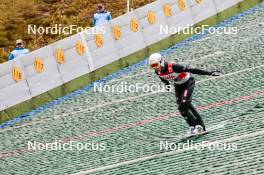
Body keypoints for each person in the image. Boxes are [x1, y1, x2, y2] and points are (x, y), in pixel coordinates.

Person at [149, 53, 221, 135]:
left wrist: (209, 73)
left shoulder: (174, 67)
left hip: (188, 82)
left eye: (156, 65)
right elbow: (162, 78)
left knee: (185, 102)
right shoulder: (157, 71)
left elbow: (192, 70)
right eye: (152, 66)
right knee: (181, 107)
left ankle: (201, 126)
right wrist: (167, 84)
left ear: (161, 61)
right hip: (178, 86)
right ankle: (192, 126)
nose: (155, 68)